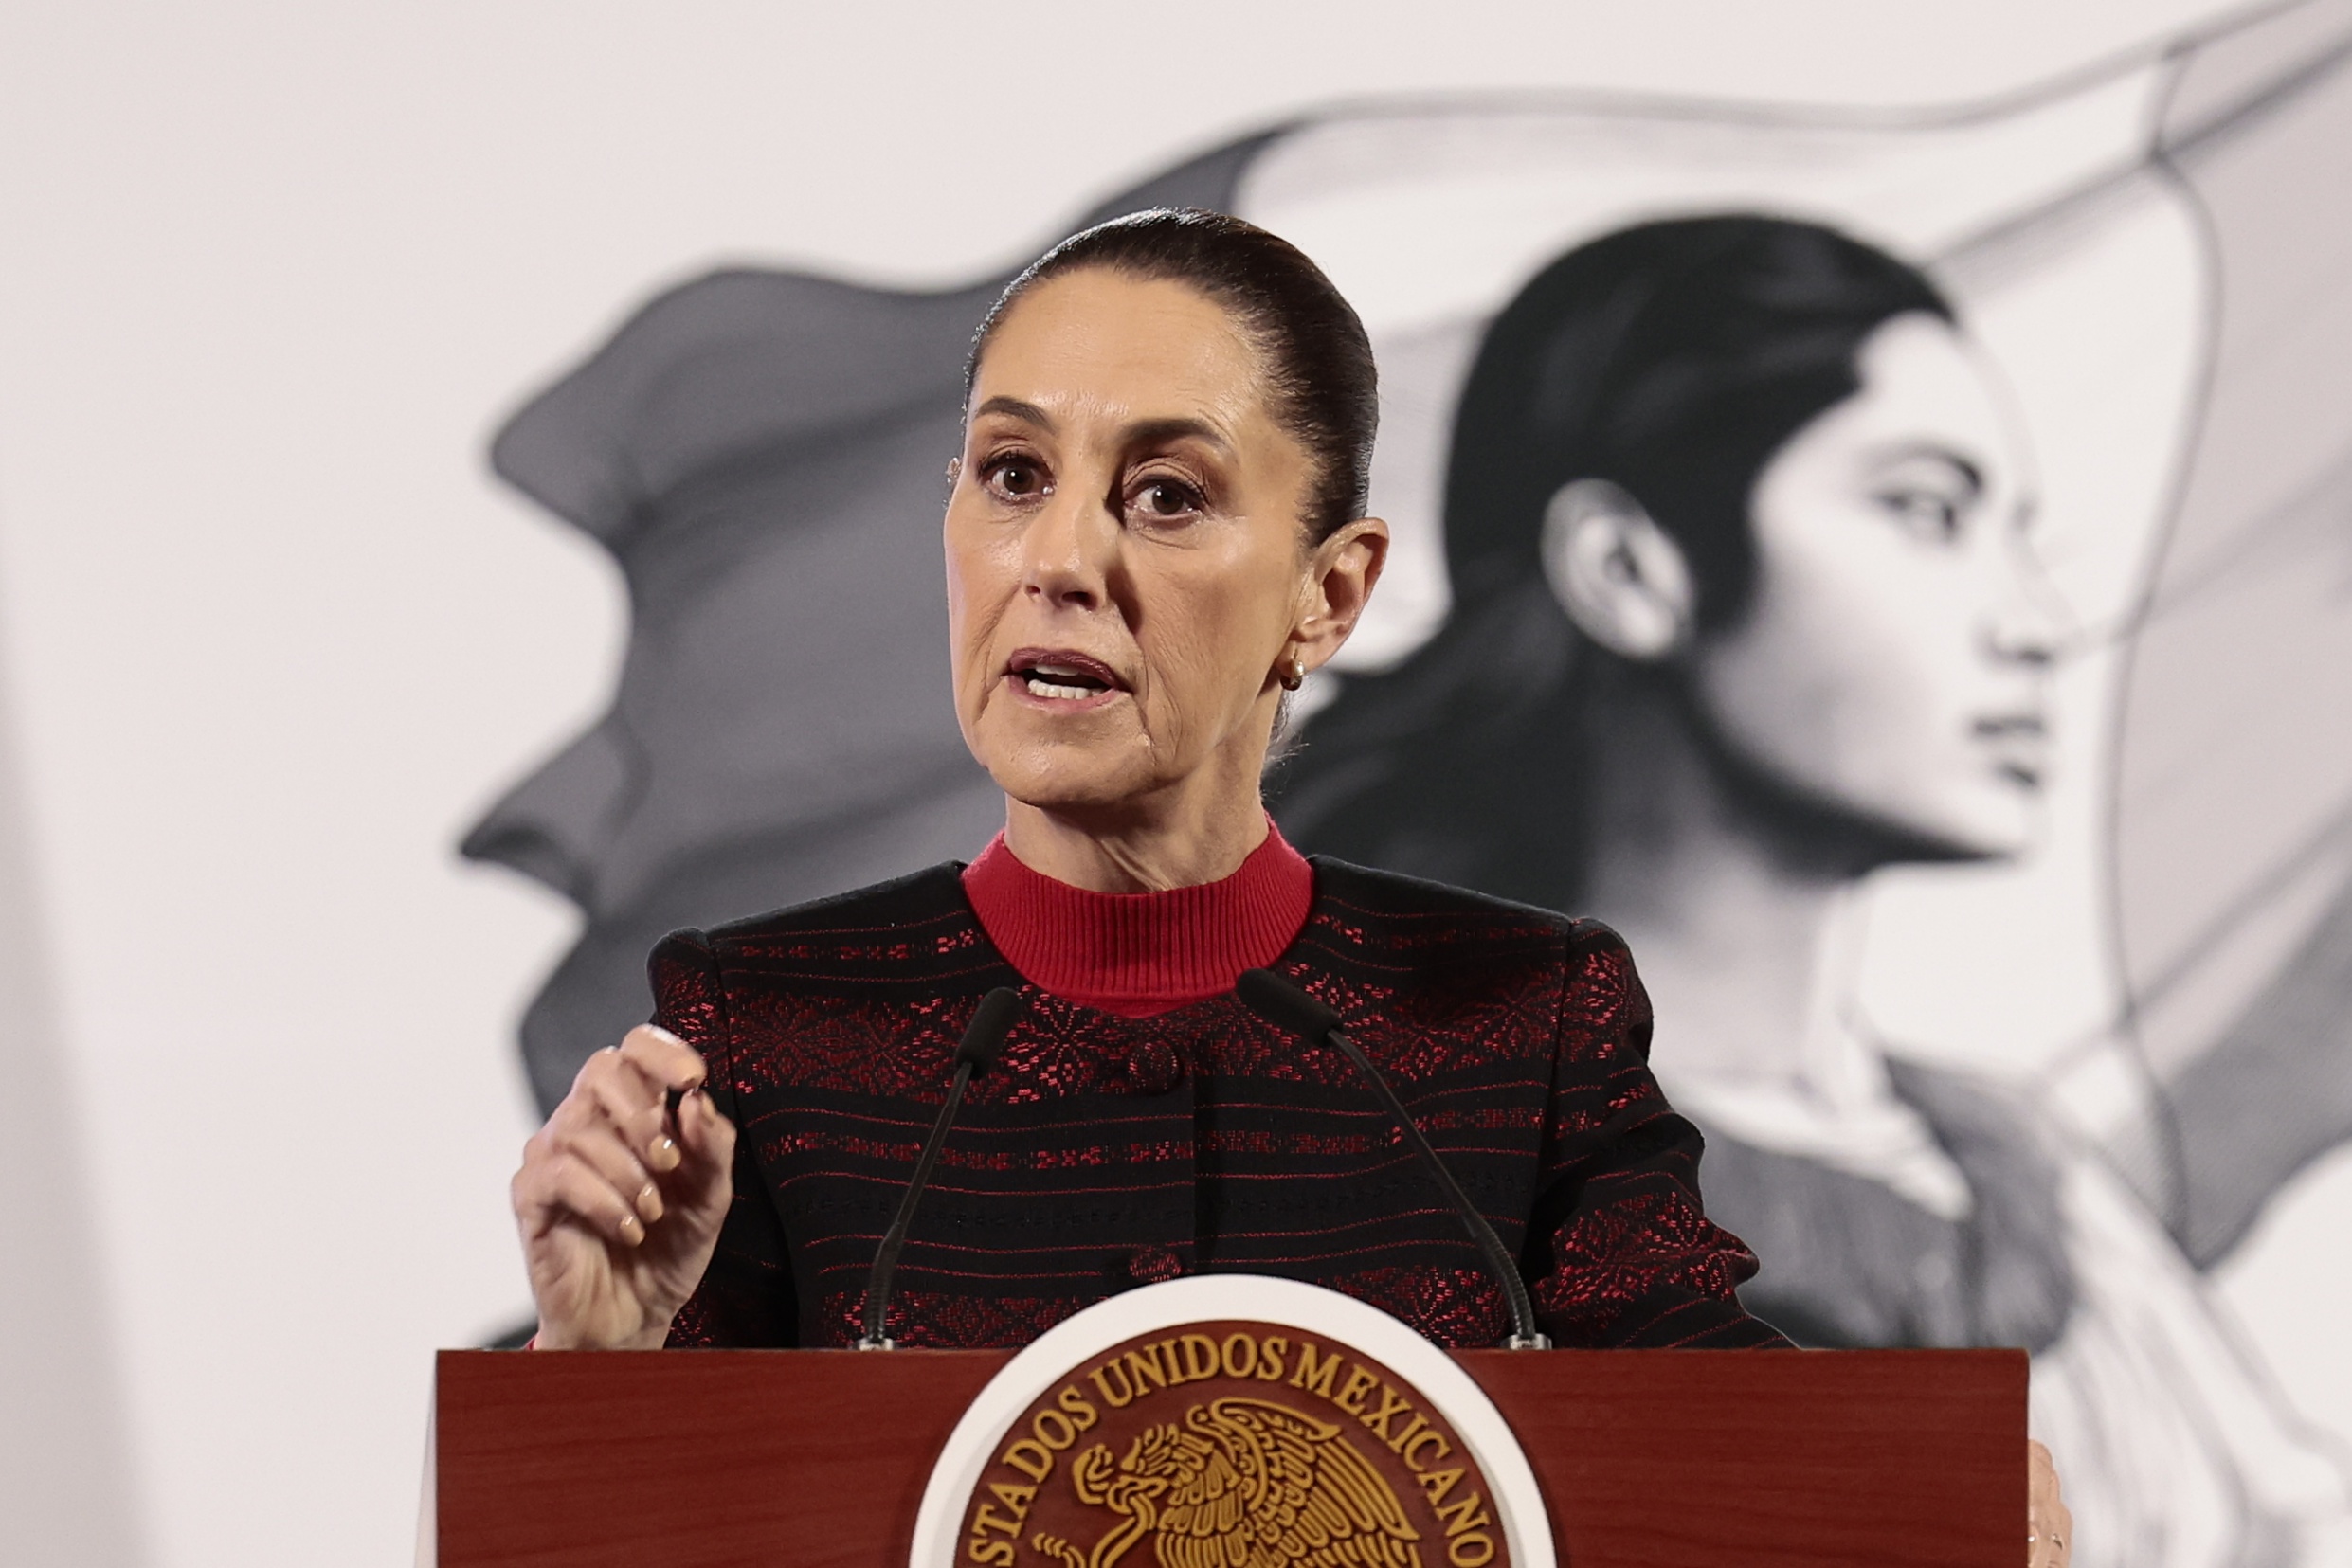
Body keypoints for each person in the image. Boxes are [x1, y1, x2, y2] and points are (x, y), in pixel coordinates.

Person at [508, 208, 2072, 1563]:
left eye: (1166, 494)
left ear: (1327, 596)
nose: (1055, 559)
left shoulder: (1527, 1016)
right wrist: (596, 1366)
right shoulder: (765, 1028)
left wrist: (1944, 1494)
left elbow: (1744, 1449)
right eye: (1007, 474)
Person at [1277, 215, 2333, 1568]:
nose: (2028, 620)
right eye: (1925, 511)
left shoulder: (2017, 1176)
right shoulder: (1406, 1174)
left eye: (2015, 533)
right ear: (1627, 570)